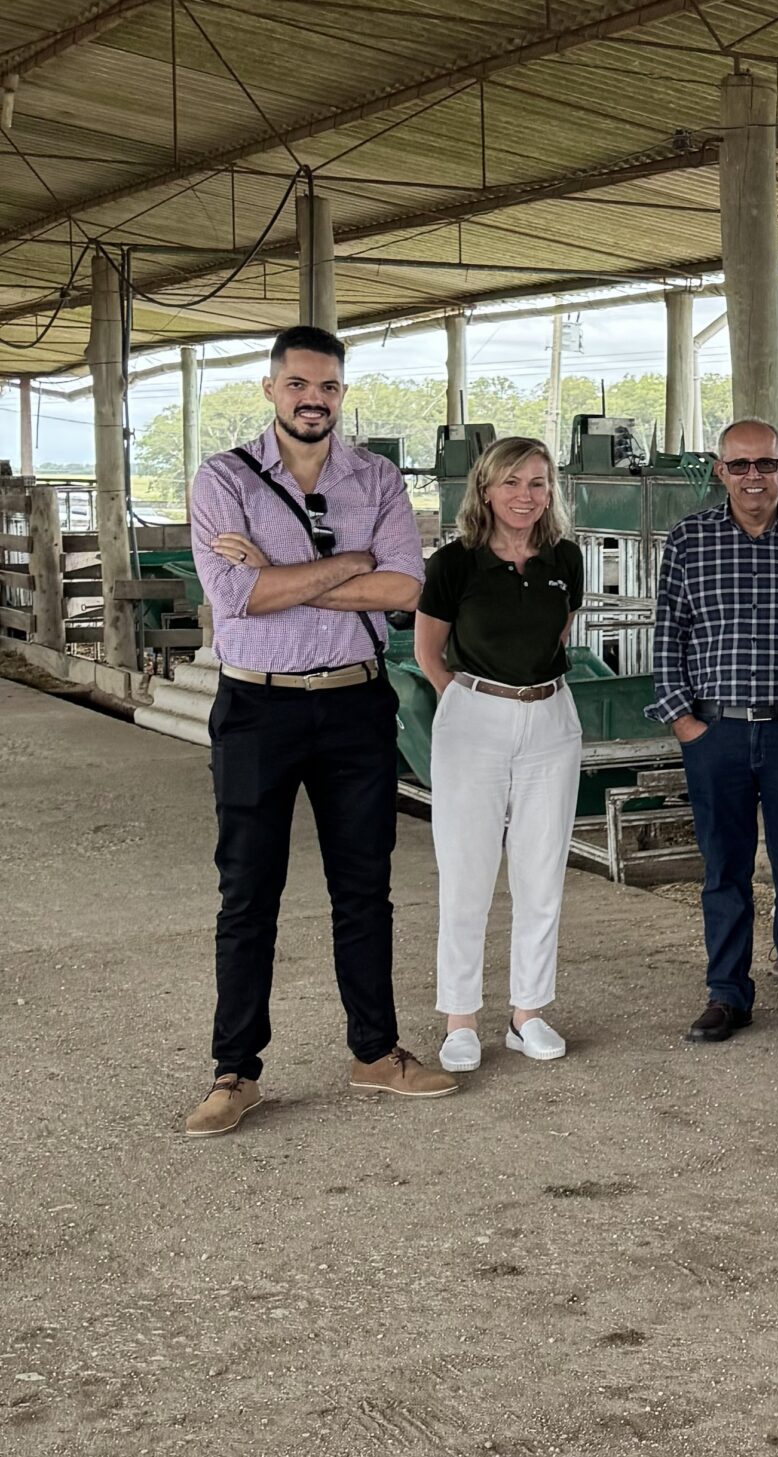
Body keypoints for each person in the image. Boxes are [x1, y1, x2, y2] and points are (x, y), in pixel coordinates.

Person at [182, 324, 449, 1136]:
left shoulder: (375, 476)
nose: (314, 399)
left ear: (341, 393)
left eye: (328, 387)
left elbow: (406, 589)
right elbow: (236, 601)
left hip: (354, 702)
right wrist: (349, 563)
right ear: (271, 389)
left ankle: (375, 1052)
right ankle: (235, 1071)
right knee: (248, 890)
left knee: (364, 886)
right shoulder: (223, 478)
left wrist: (278, 571)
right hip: (257, 705)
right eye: (298, 384)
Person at [646, 418, 778, 1046]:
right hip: (716, 730)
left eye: (765, 464)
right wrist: (683, 719)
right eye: (740, 466)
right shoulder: (687, 540)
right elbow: (667, 635)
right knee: (723, 867)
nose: (753, 477)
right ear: (719, 469)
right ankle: (727, 994)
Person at [414, 436, 584, 1073]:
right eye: (512, 482)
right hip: (473, 715)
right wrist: (467, 705)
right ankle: (460, 1020)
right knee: (467, 873)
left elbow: (558, 629)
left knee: (541, 872)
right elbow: (430, 652)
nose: (525, 496)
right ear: (485, 488)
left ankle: (527, 1014)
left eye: (538, 483)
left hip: (549, 715)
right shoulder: (454, 562)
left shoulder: (565, 556)